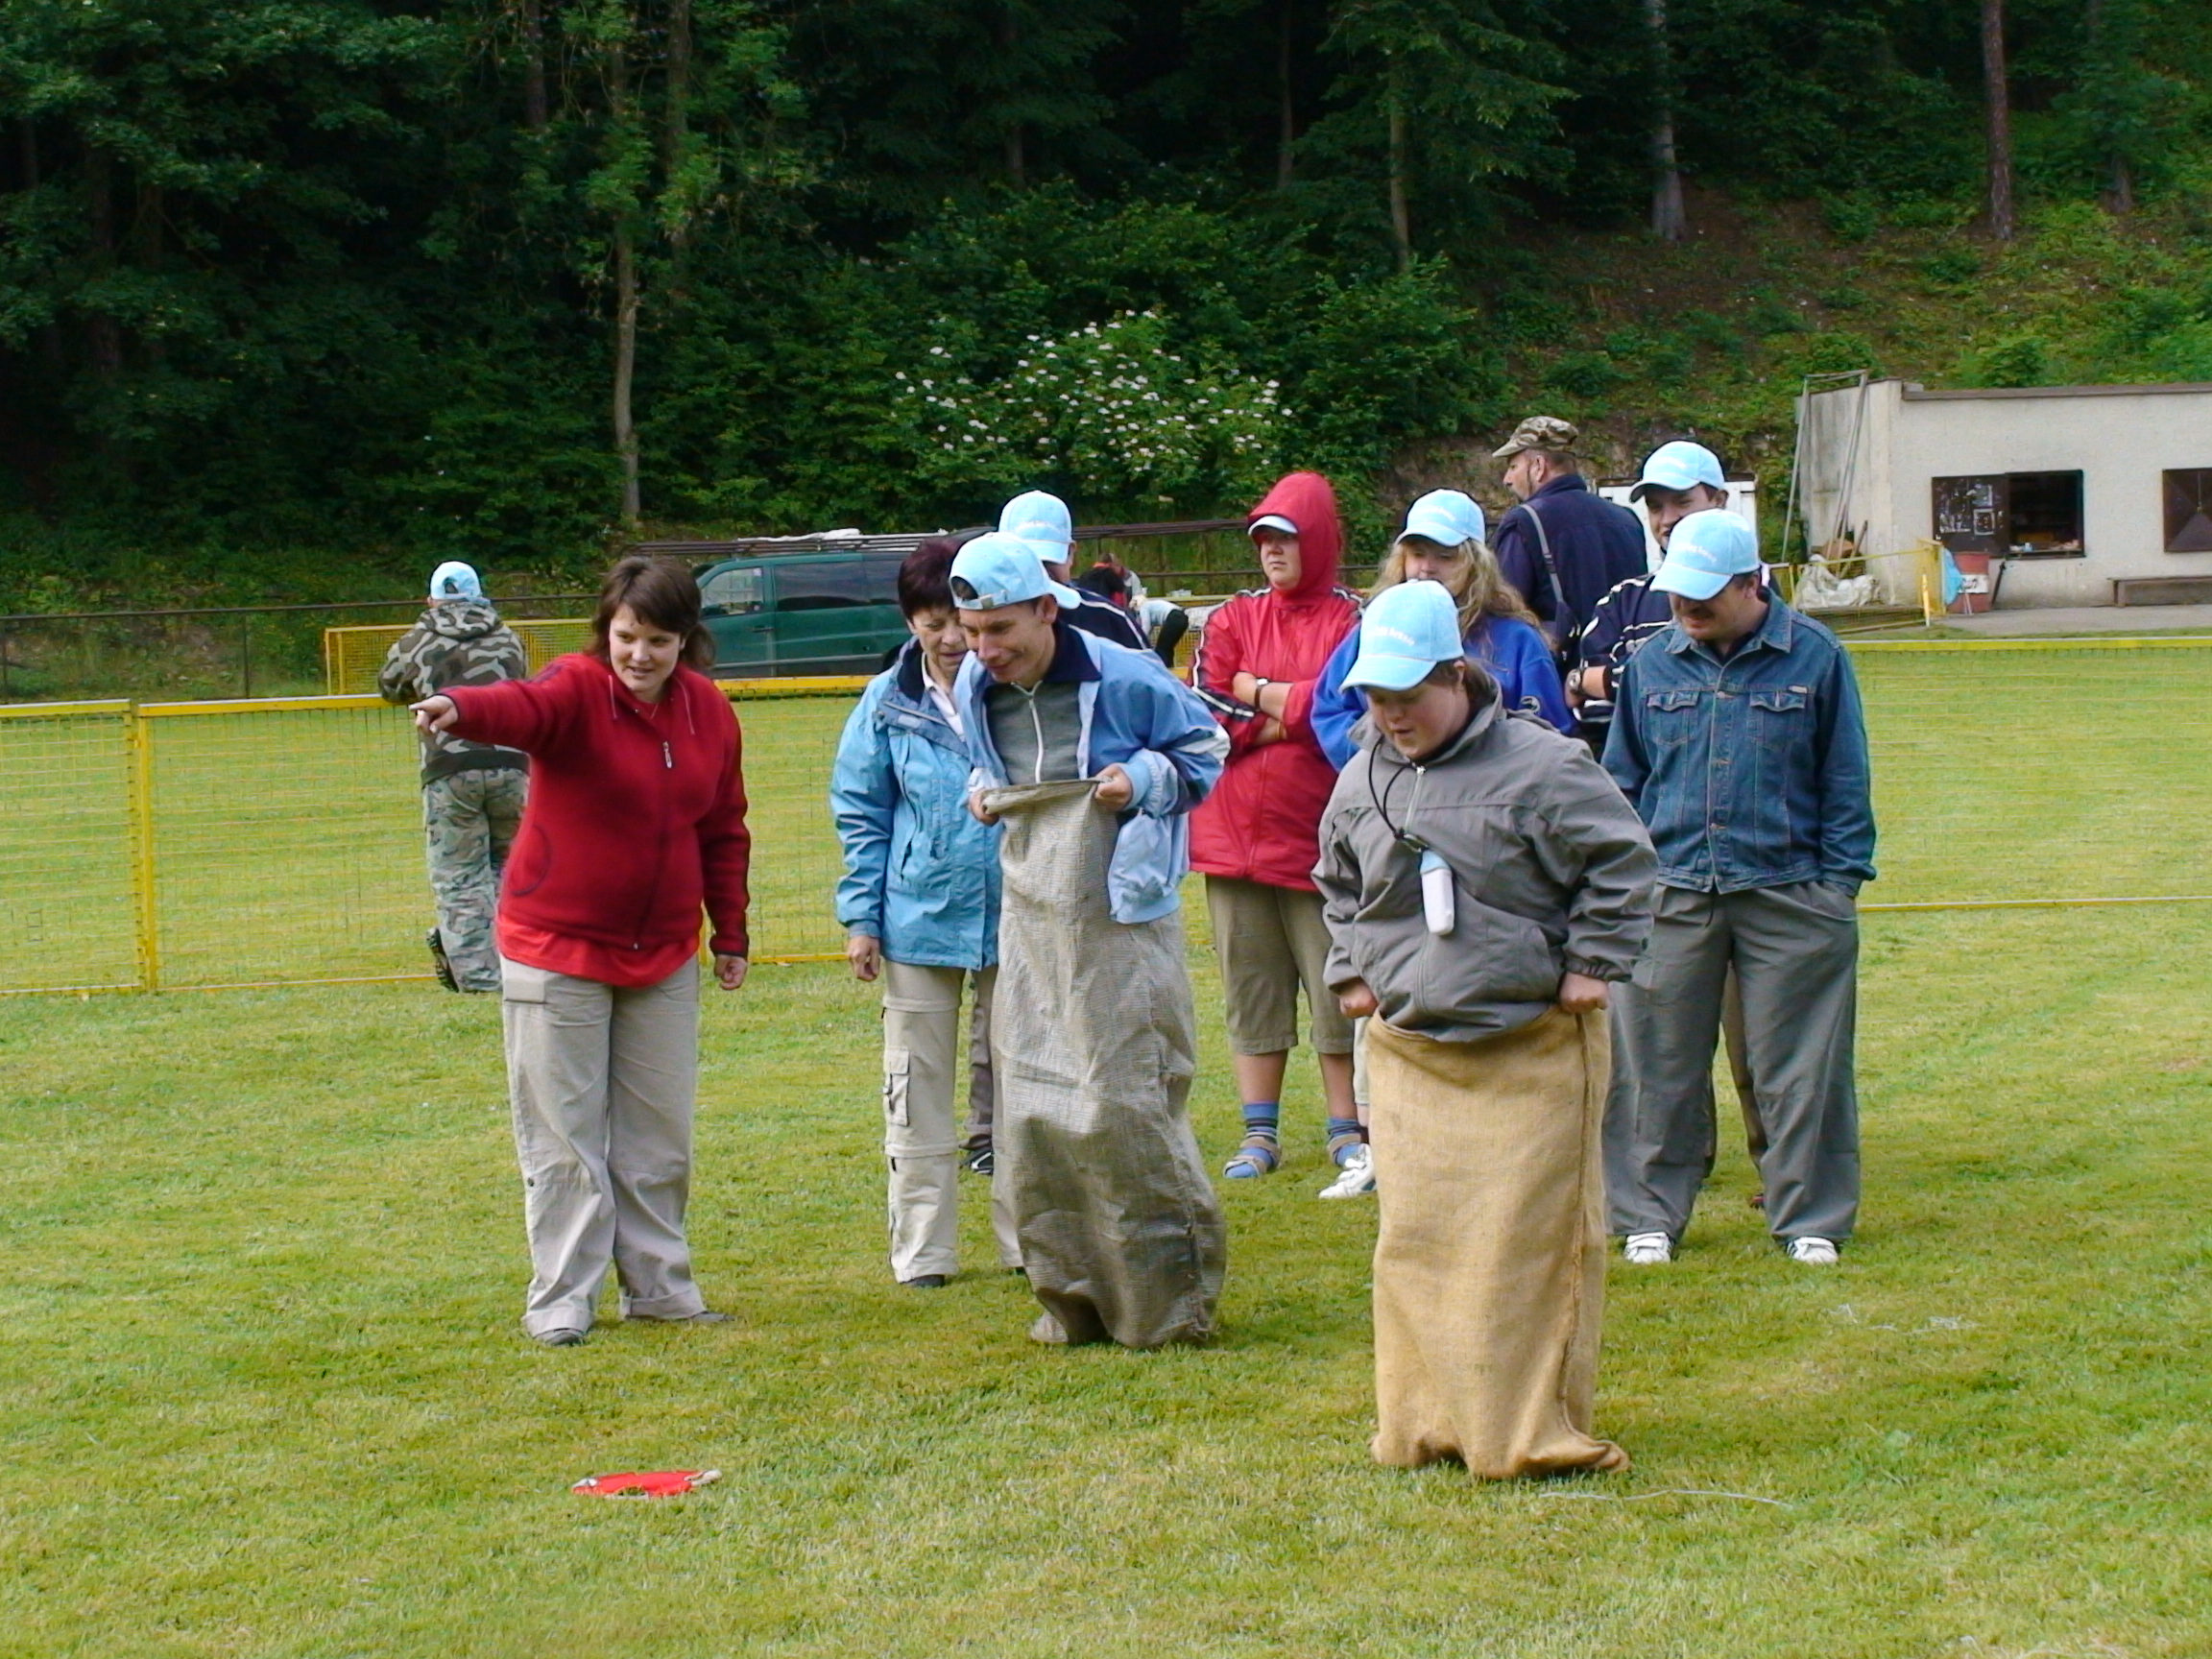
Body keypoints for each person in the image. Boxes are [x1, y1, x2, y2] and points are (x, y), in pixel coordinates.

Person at [1313, 579, 1655, 1479]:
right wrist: (1354, 974)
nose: (1390, 715)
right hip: (1415, 1057)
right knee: (1417, 1249)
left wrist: (1592, 964)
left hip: (1531, 1050)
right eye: (1375, 698)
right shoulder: (1359, 778)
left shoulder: (1545, 766)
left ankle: (1526, 1431)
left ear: (1456, 674)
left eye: (1406, 695)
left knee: (1524, 1258)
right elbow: (1337, 886)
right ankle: (1423, 1425)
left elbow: (1623, 863)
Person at [411, 556, 750, 1347]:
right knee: (564, 1136)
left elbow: (723, 827)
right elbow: (519, 708)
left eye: (659, 642)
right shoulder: (574, 688)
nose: (640, 656)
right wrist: (455, 705)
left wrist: (727, 930)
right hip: (555, 950)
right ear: (607, 633)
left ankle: (664, 1290)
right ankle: (562, 1299)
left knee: (657, 1135)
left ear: (685, 642)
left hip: (662, 955)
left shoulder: (708, 713)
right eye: (628, 637)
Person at [950, 532, 1230, 1349]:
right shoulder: (978, 686)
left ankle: (1164, 1303)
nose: (984, 649)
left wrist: (1140, 780)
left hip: (1118, 915)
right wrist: (982, 788)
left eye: (1000, 629)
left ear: (1046, 609)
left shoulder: (1126, 676)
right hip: (1032, 914)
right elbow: (984, 761)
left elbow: (1206, 746)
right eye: (971, 632)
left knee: (1119, 1103)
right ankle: (1072, 1299)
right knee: (1036, 1110)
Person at [1602, 511, 1876, 1267]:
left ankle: (1811, 1218)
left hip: (1793, 893)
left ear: (1750, 582)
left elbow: (1845, 781)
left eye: (1702, 595)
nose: (1685, 609)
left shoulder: (1816, 656)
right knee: (1653, 1065)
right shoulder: (1652, 663)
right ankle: (1647, 1217)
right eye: (1677, 594)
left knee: (1802, 1068)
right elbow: (1623, 782)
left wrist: (1838, 888)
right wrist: (1624, 885)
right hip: (1671, 892)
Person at [1574, 442, 1767, 1193]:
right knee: (1658, 1041)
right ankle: (1662, 1181)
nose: (1663, 518)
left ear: (1719, 501)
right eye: (1654, 504)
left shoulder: (1773, 609)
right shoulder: (1624, 597)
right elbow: (1583, 690)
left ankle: (1776, 1165)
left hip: (1758, 859)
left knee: (1762, 1040)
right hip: (1664, 854)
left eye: (1679, 501)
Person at [830, 540, 1020, 1288]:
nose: (950, 639)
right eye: (933, 620)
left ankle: (1026, 1243)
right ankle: (923, 1254)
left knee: (1021, 1084)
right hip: (917, 922)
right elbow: (861, 811)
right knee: (914, 1090)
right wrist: (862, 917)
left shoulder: (1013, 686)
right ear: (911, 619)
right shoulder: (885, 700)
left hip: (1017, 916)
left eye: (962, 620)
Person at [1188, 470, 1363, 1188]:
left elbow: (1342, 714)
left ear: (1317, 538)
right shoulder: (1230, 617)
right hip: (1232, 844)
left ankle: (1348, 1130)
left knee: (1337, 991)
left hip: (1324, 839)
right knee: (1251, 992)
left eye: (1285, 536)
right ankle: (1258, 1132)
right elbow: (1205, 716)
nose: (1271, 550)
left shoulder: (1355, 619)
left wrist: (1257, 693)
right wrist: (1284, 710)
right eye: (1262, 537)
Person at [1312, 490, 1572, 770]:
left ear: (1477, 565)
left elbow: (1551, 736)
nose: (1426, 568)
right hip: (1395, 797)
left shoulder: (1518, 641)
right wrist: (1392, 763)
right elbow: (1329, 711)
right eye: (1417, 555)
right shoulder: (1375, 631)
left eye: (1445, 557)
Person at [377, 561, 529, 994]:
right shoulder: (507, 638)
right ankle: (518, 962)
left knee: (460, 875)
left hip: (449, 770)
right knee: (513, 868)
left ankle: (479, 978)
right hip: (512, 766)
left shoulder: (417, 640)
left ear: (431, 600)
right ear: (481, 595)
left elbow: (389, 685)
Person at [1489, 417, 1647, 656]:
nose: (1507, 479)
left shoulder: (1525, 521)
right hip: (1624, 675)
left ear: (1538, 466)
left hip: (1559, 678)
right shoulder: (1627, 519)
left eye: (1513, 467)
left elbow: (1503, 613)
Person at [998, 490, 1150, 652]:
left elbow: (1150, 674)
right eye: (1025, 561)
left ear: (1070, 554)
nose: (1040, 573)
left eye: (1048, 561)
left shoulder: (1110, 621)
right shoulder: (979, 625)